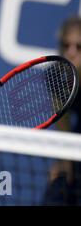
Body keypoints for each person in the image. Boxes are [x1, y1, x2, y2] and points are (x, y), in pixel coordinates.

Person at [43, 16, 81, 205]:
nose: (71, 52)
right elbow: (63, 119)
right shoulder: (55, 75)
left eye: (79, 47)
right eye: (66, 46)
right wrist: (65, 162)